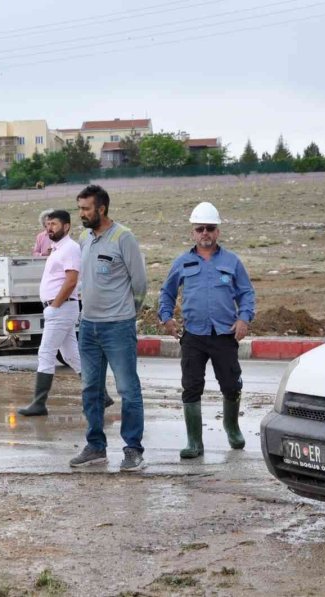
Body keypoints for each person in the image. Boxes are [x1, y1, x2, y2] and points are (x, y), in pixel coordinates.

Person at [158, 202, 255, 459]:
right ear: (193, 232)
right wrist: (166, 317)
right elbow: (167, 292)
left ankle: (232, 427)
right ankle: (194, 442)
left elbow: (246, 293)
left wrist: (244, 319)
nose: (205, 233)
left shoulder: (232, 262)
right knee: (191, 387)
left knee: (231, 385)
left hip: (224, 335)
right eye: (200, 228)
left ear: (217, 231)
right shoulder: (182, 262)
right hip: (193, 336)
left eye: (210, 228)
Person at [73, 185, 148, 472]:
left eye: (86, 209)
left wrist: (127, 313)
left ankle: (133, 449)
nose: (81, 214)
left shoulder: (123, 237)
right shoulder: (84, 238)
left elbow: (139, 283)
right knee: (90, 388)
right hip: (88, 327)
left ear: (101, 209)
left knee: (128, 389)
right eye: (80, 208)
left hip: (118, 327)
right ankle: (95, 447)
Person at [18, 210, 82, 416]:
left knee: (46, 353)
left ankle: (39, 403)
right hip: (59, 307)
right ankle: (101, 394)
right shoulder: (57, 249)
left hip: (61, 308)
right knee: (70, 355)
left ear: (66, 226)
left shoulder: (70, 248)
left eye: (54, 224)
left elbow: (71, 281)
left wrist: (54, 306)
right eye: (47, 225)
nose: (49, 228)